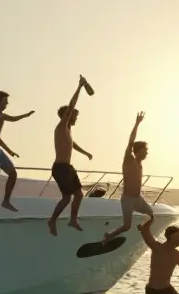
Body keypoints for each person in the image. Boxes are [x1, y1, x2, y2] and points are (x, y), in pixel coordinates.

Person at [47, 76, 94, 236]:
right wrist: (80, 86)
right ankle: (52, 220)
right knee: (67, 198)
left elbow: (72, 144)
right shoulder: (61, 126)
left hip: (67, 167)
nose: (76, 119)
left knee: (78, 195)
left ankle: (73, 219)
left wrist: (85, 152)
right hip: (60, 168)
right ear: (67, 116)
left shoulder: (68, 131)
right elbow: (72, 104)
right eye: (74, 116)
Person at [104, 112, 155, 242]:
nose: (147, 153)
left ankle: (142, 230)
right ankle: (109, 236)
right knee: (126, 226)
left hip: (138, 199)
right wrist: (137, 123)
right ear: (138, 150)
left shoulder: (140, 164)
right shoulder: (129, 160)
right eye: (145, 150)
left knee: (151, 216)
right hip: (127, 199)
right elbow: (131, 141)